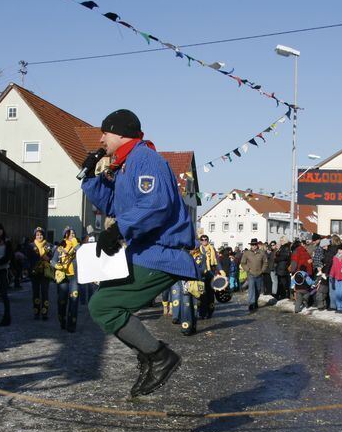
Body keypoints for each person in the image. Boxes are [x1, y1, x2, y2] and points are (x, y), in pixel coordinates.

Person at [81, 108, 195, 398]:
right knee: (104, 301)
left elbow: (156, 204)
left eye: (105, 132)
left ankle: (159, 357)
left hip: (161, 254)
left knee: (103, 306)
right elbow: (113, 205)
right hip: (143, 252)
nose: (101, 138)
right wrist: (90, 177)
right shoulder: (126, 164)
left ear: (120, 133)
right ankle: (149, 356)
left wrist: (118, 231)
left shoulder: (146, 160)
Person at [52, 227, 79, 332]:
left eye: (73, 233)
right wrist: (57, 266)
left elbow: (83, 254)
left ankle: (71, 325)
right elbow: (53, 261)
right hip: (63, 277)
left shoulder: (78, 247)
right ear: (65, 235)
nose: (72, 234)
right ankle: (62, 321)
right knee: (61, 301)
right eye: (69, 233)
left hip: (74, 278)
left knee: (74, 300)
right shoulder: (60, 248)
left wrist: (76, 244)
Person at [29, 226, 52, 320]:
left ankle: (44, 313)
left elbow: (53, 257)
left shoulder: (48, 245)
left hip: (45, 273)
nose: (39, 236)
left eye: (41, 234)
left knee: (45, 292)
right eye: (37, 234)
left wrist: (49, 259)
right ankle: (36, 312)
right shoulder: (30, 246)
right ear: (35, 236)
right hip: (35, 273)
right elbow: (28, 258)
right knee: (36, 293)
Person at [240, 238, 268, 312]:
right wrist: (248, 269)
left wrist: (262, 270)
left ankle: (255, 301)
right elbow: (243, 263)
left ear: (257, 245)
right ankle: (251, 304)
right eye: (252, 244)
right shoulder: (246, 253)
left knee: (258, 290)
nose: (254, 246)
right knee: (251, 289)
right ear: (251, 245)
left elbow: (265, 262)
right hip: (251, 274)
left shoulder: (262, 253)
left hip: (259, 274)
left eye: (255, 244)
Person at [197, 234, 218, 319]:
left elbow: (217, 261)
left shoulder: (212, 249)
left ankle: (210, 312)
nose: (204, 241)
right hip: (201, 275)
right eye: (202, 239)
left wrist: (220, 270)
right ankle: (202, 313)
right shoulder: (198, 250)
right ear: (200, 241)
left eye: (206, 239)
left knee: (210, 295)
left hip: (211, 274)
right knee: (202, 295)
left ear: (208, 240)